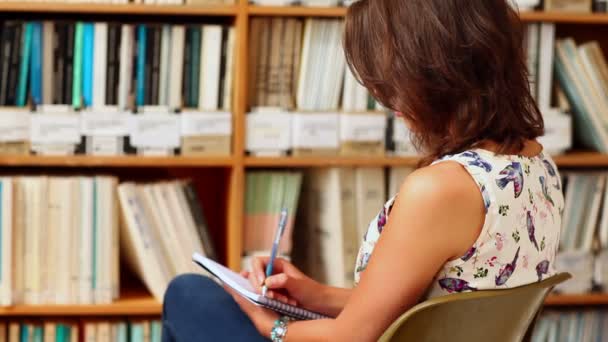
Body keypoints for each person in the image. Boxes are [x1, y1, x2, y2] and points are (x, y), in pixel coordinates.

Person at [162, 0, 564, 340]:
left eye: (393, 83)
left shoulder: (442, 189)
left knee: (188, 293)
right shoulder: (538, 167)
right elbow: (426, 308)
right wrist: (314, 294)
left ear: (440, 71)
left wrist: (266, 321)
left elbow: (349, 337)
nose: (387, 101)